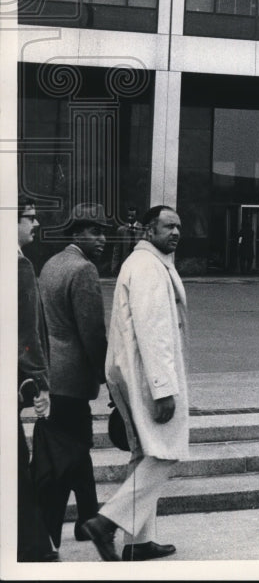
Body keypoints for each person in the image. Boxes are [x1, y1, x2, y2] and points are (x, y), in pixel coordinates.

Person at [82, 205, 187, 562]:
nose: (174, 232)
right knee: (166, 452)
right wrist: (162, 387)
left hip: (131, 370)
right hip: (145, 373)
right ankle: (107, 521)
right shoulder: (146, 267)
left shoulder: (148, 263)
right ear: (147, 230)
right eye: (167, 226)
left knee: (145, 453)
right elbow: (152, 329)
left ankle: (138, 542)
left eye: (178, 227)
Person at [38, 202, 111, 548]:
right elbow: (93, 332)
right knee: (70, 454)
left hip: (54, 374)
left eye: (104, 231)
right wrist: (107, 375)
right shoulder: (83, 269)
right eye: (95, 231)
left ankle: (86, 519)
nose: (103, 239)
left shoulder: (52, 264)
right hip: (74, 377)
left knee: (75, 449)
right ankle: (52, 530)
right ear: (77, 234)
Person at [17, 199, 59, 562]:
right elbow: (27, 331)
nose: (36, 223)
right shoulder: (19, 265)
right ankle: (32, 548)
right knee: (15, 467)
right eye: (29, 217)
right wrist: (40, 383)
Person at [112, 206, 143, 277]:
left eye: (132, 216)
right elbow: (117, 249)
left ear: (137, 216)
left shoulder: (142, 229)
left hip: (139, 263)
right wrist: (114, 265)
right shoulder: (121, 230)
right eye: (128, 215)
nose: (130, 218)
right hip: (126, 262)